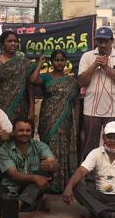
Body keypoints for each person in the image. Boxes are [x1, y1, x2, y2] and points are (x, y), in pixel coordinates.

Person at [62, 122, 115, 218]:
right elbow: (81, 171)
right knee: (76, 186)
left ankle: (93, 211)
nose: (112, 140)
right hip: (99, 195)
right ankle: (108, 215)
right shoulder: (96, 152)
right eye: (109, 137)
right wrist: (69, 186)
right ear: (103, 137)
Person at [77, 26, 115, 157]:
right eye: (100, 41)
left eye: (106, 41)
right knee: (90, 144)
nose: (102, 44)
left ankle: (111, 168)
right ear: (95, 41)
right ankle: (88, 169)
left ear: (112, 41)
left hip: (114, 110)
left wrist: (106, 68)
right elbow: (81, 82)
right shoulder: (87, 56)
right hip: (91, 109)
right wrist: (94, 65)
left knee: (113, 144)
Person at [29, 49, 79, 193]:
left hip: (65, 119)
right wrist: (40, 64)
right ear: (52, 62)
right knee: (48, 146)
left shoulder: (71, 81)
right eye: (56, 60)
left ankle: (61, 184)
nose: (59, 63)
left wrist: (75, 121)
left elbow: (76, 102)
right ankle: (47, 182)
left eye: (62, 60)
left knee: (63, 147)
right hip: (48, 118)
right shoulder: (46, 77)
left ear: (66, 62)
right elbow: (33, 80)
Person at [0, 118, 57, 212]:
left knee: (46, 173)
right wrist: (35, 178)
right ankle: (33, 204)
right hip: (11, 186)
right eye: (21, 130)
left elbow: (53, 162)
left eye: (28, 130)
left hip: (33, 187)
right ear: (13, 132)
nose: (25, 133)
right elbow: (13, 175)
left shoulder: (39, 146)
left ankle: (19, 204)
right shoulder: (5, 149)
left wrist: (51, 165)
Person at [0, 30, 35, 124]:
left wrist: (32, 108)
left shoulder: (24, 62)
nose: (13, 44)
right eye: (9, 41)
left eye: (15, 41)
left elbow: (30, 86)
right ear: (2, 45)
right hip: (0, 107)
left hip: (21, 107)